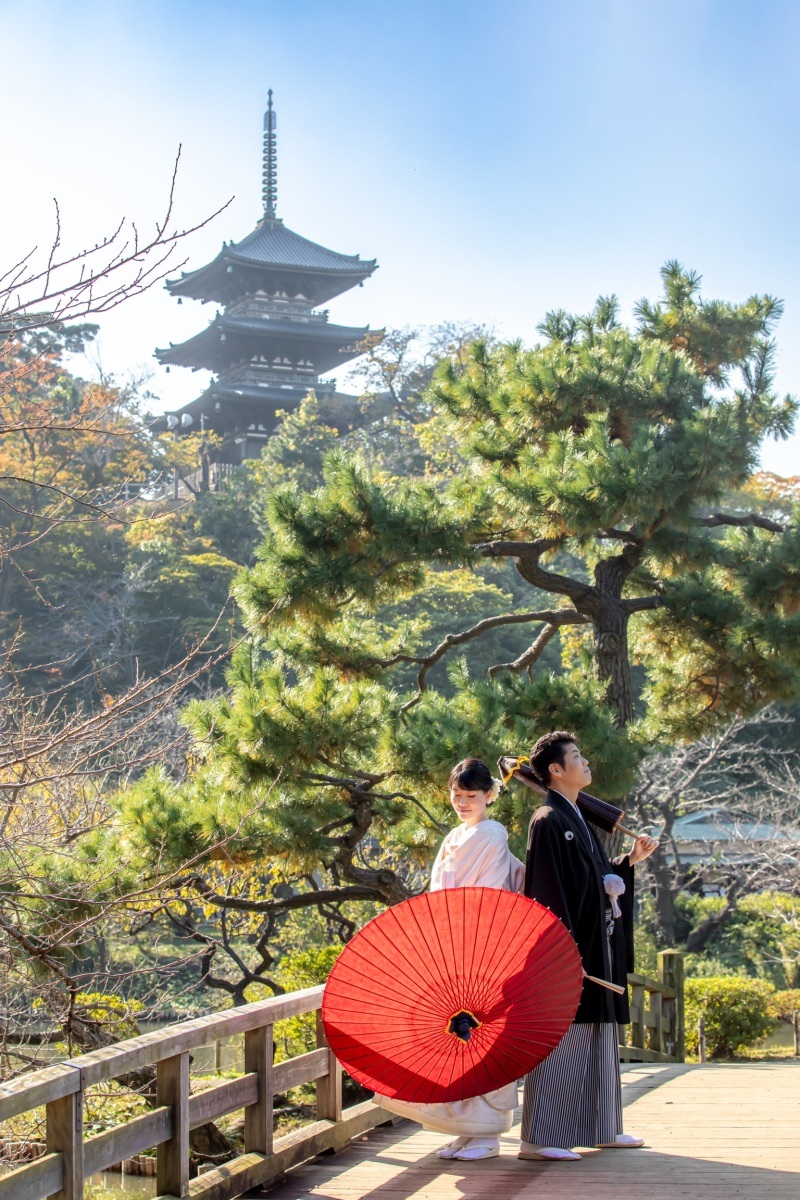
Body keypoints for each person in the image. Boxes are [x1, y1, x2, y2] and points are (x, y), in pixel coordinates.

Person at [373, 757, 525, 1162]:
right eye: (456, 796)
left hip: (480, 944)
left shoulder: (492, 834)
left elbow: (489, 894)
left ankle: (487, 1132)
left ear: (490, 795)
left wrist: (462, 934)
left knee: (479, 1037)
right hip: (451, 942)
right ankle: (461, 1128)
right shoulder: (456, 835)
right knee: (451, 1038)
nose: (462, 803)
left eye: (470, 796)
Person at [519, 731, 659, 1162]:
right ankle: (541, 1137)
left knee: (597, 1033)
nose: (585, 761)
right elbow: (547, 890)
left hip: (596, 942)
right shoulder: (548, 820)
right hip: (571, 949)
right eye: (576, 756)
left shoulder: (575, 816)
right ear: (556, 770)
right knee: (566, 1036)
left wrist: (626, 864)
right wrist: (560, 954)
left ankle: (602, 1126)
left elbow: (595, 874)